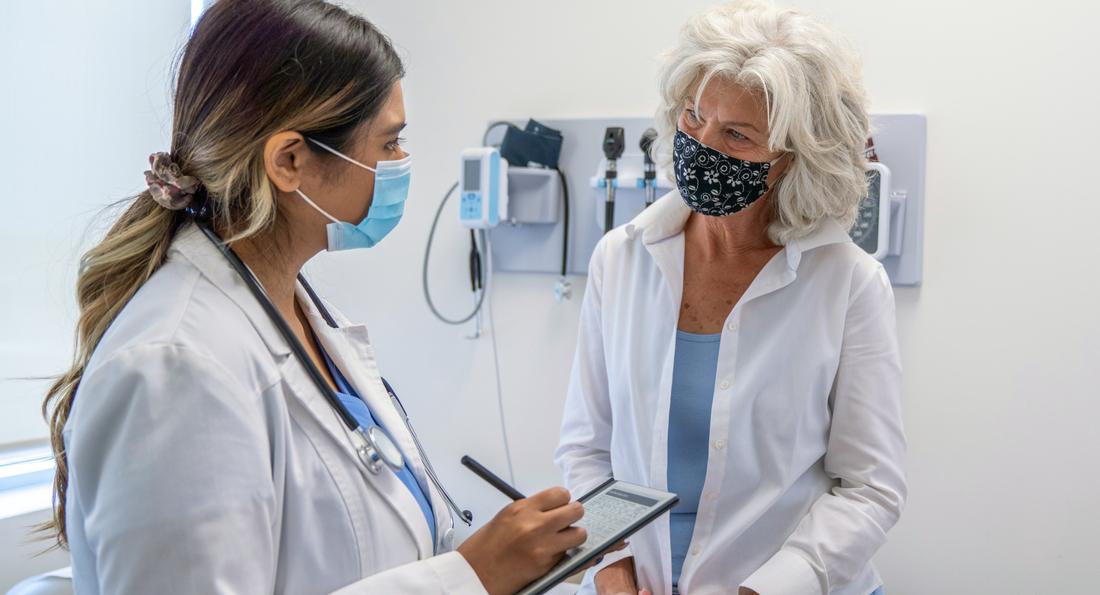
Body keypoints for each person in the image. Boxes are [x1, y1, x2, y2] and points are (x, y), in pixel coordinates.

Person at [39, 1, 590, 593]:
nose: (401, 164)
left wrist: (491, 560)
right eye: (389, 144)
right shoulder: (174, 366)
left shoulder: (298, 311)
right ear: (290, 160)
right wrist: (468, 577)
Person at [555, 2, 907, 594]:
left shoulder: (848, 285)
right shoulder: (621, 258)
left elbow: (870, 488)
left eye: (736, 135)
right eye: (694, 117)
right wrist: (608, 567)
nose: (701, 145)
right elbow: (587, 449)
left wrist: (763, 591)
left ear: (792, 157)